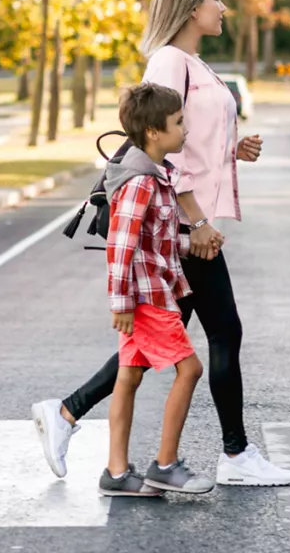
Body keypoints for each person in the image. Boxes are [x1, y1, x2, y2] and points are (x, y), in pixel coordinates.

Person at [32, 0, 290, 488]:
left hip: (186, 223)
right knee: (221, 331)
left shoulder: (192, 62)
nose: (224, 7)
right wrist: (196, 220)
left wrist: (231, 150)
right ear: (192, 4)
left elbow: (186, 140)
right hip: (177, 227)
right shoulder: (168, 61)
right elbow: (156, 145)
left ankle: (64, 414)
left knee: (157, 342)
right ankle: (234, 455)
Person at [96, 82, 213, 497]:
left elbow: (152, 242)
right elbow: (120, 243)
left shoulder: (156, 176)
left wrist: (191, 243)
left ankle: (115, 473)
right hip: (146, 300)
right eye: (178, 122)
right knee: (191, 369)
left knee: (127, 377)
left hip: (149, 292)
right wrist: (121, 302)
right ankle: (165, 465)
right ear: (153, 132)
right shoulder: (141, 182)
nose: (185, 129)